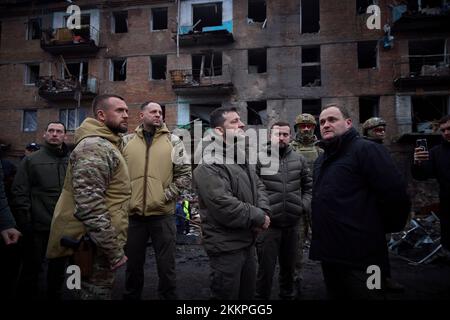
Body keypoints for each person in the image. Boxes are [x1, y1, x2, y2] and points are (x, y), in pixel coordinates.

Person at [310, 103, 410, 299]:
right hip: (330, 255)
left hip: (365, 256)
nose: (325, 125)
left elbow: (395, 194)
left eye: (332, 120)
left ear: (348, 123)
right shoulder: (321, 160)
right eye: (321, 122)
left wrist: (374, 230)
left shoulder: (367, 150)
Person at [46, 94, 131, 300]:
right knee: (91, 293)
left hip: (92, 242)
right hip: (90, 246)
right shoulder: (95, 147)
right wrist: (113, 251)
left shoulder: (107, 144)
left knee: (77, 290)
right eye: (120, 111)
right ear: (101, 115)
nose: (126, 115)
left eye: (127, 111)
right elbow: (90, 206)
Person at [193, 106, 271, 300]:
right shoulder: (208, 161)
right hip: (226, 246)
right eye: (235, 121)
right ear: (219, 131)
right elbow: (222, 204)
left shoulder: (240, 156)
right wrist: (259, 217)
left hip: (247, 241)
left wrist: (264, 211)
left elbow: (258, 185)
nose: (242, 124)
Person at [122, 101, 191, 300]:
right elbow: (117, 177)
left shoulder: (174, 141)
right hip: (134, 216)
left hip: (163, 215)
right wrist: (126, 199)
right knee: (133, 266)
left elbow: (185, 175)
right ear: (141, 115)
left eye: (160, 112)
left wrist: (163, 197)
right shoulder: (126, 141)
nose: (158, 115)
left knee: (166, 265)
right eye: (153, 112)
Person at [12, 122, 69, 299]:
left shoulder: (71, 160)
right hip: (38, 226)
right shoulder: (31, 160)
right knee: (32, 269)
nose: (54, 134)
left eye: (59, 131)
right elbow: (19, 192)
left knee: (59, 269)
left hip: (63, 226)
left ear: (65, 136)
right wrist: (25, 222)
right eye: (50, 131)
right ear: (44, 135)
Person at [255, 121, 312, 300]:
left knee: (289, 270)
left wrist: (302, 206)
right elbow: (254, 189)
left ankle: (286, 296)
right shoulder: (259, 158)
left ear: (290, 137)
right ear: (270, 136)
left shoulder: (299, 159)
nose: (281, 138)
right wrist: (262, 212)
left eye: (285, 134)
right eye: (277, 134)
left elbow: (309, 187)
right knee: (265, 270)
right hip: (268, 226)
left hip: (293, 226)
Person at [290, 113, 323, 298]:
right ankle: (295, 280)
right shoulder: (289, 150)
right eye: (302, 126)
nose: (305, 129)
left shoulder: (322, 150)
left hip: (318, 205)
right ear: (297, 128)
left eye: (309, 126)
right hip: (298, 203)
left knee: (327, 242)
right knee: (296, 245)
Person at [412, 115, 450, 257]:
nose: (446, 133)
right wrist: (417, 163)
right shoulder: (436, 152)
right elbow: (421, 176)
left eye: (449, 129)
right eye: (443, 130)